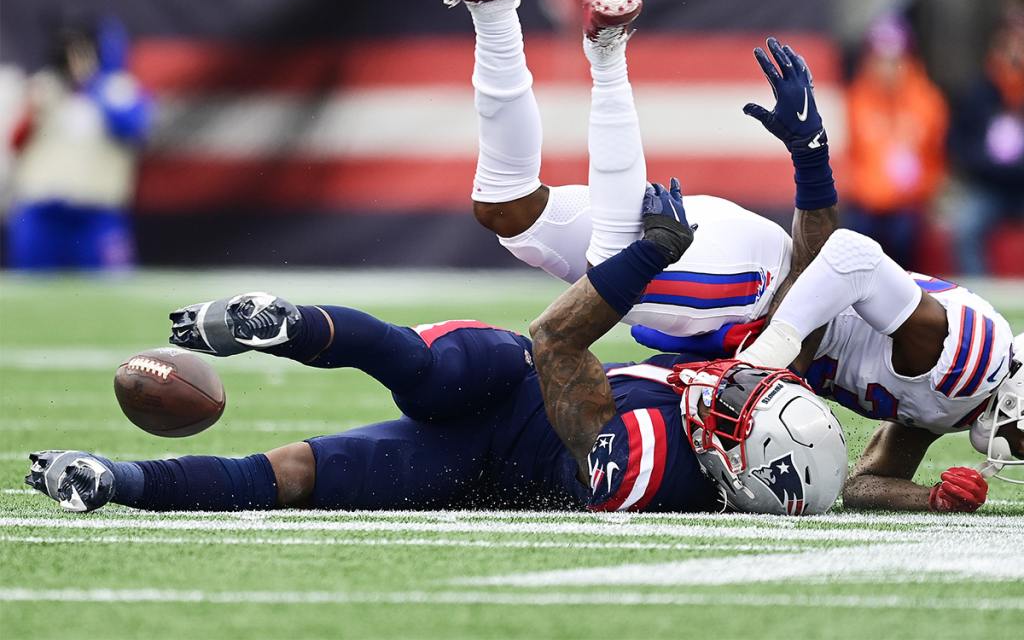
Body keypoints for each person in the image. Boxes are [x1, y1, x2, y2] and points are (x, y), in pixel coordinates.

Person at [26, 187, 847, 516]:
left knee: (304, 467)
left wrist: (647, 256)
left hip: (508, 407)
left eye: (741, 417)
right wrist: (813, 174)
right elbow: (803, 291)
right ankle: (280, 321)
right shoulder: (749, 445)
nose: (737, 391)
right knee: (418, 370)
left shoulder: (642, 469)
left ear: (733, 471)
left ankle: (110, 480)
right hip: (513, 434)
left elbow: (557, 340)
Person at [395, 0, 838, 355]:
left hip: (737, 259)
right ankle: (607, 55)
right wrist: (812, 154)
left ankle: (494, 5)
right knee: (615, 273)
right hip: (755, 286)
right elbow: (821, 276)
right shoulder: (886, 319)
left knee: (505, 206)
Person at [6, 17, 151, 270]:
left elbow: (133, 127)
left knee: (110, 293)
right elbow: (15, 141)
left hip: (96, 211)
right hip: (43, 210)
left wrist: (93, 84)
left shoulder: (120, 89)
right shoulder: (43, 88)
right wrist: (37, 108)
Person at [844, 16, 948, 269]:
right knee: (854, 238)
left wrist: (920, 188)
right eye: (880, 60)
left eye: (894, 60)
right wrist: (865, 189)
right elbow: (846, 157)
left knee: (904, 236)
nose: (887, 68)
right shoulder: (854, 100)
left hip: (910, 204)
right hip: (865, 203)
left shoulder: (927, 101)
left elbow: (937, 158)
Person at [948, 11, 1024, 275]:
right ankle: (979, 304)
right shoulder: (978, 90)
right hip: (987, 187)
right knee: (965, 227)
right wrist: (986, 162)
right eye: (1010, 41)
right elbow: (957, 143)